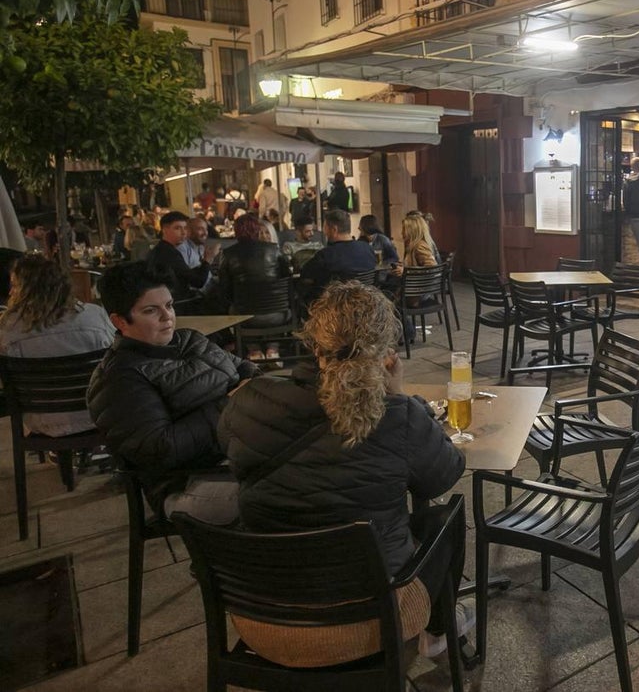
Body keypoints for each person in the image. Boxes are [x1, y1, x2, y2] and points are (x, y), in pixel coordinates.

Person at [222, 281, 471, 662]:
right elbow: (445, 475)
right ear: (385, 354)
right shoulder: (396, 415)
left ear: (314, 343)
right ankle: (437, 633)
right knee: (445, 518)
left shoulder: (249, 401)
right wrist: (398, 395)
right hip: (368, 623)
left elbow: (230, 452)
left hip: (261, 617)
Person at [86, 261, 261, 523]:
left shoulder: (190, 339)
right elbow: (161, 448)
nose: (167, 316)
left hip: (242, 454)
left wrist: (249, 391)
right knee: (293, 492)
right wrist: (230, 403)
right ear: (119, 320)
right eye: (150, 310)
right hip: (186, 483)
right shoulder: (119, 378)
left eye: (169, 305)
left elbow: (247, 369)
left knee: (320, 469)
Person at [0, 255, 116, 437]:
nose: (10, 292)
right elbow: (117, 357)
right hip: (98, 413)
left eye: (14, 285)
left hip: (42, 421)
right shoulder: (95, 316)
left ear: (23, 290)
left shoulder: (7, 329)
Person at [216, 214, 291, 362]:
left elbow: (225, 289)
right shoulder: (274, 250)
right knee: (273, 305)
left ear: (236, 231)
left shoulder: (228, 254)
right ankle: (273, 349)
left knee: (236, 308)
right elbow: (287, 279)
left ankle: (254, 350)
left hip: (246, 317)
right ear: (257, 230)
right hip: (278, 314)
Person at [298, 210, 377, 305]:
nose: (324, 232)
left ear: (334, 229)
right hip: (365, 304)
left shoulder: (326, 255)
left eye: (325, 227)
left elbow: (305, 276)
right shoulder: (367, 248)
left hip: (335, 307)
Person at [147, 211, 210, 305]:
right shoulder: (168, 253)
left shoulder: (162, 249)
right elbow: (198, 282)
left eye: (185, 228)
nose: (183, 233)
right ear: (165, 230)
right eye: (177, 228)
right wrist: (207, 260)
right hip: (177, 303)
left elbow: (184, 273)